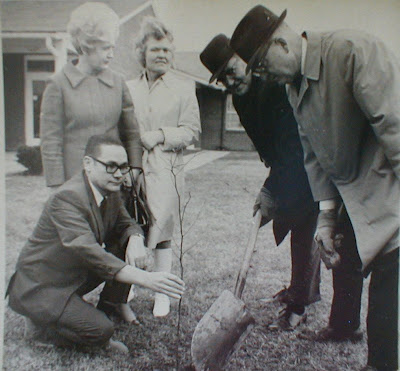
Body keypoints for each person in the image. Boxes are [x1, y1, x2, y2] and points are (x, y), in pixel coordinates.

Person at [230, 5, 399, 371]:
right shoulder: (294, 87)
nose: (262, 76)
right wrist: (326, 218)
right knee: (349, 259)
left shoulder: (352, 51)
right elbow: (313, 157)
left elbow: (394, 126)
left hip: (388, 187)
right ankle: (350, 333)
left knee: (390, 274)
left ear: (281, 44)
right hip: (350, 193)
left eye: (261, 66)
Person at [7, 134, 185, 352]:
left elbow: (126, 223)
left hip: (71, 273)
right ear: (88, 164)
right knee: (101, 331)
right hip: (42, 286)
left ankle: (104, 309)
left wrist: (136, 238)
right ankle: (40, 326)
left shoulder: (110, 191)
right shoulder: (66, 198)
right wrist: (146, 278)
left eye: (123, 166)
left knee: (124, 243)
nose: (119, 174)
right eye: (110, 166)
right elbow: (91, 253)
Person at [200, 34, 321, 330]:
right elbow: (267, 145)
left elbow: (293, 145)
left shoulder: (275, 87)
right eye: (222, 78)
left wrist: (271, 188)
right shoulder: (240, 98)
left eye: (232, 70)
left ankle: (299, 305)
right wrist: (272, 181)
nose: (230, 81)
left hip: (309, 164)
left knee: (304, 232)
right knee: (296, 229)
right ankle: (298, 290)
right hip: (285, 165)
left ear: (245, 59)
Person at [126, 17, 201, 317]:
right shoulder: (128, 87)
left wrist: (159, 136)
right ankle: (128, 283)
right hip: (131, 165)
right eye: (155, 49)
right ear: (142, 52)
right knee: (130, 223)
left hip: (166, 166)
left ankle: (163, 292)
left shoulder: (184, 88)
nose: (162, 55)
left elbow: (192, 130)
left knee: (162, 227)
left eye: (167, 50)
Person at [40, 2, 142, 189]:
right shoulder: (58, 84)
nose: (111, 55)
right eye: (105, 48)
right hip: (74, 183)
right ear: (85, 46)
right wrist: (57, 187)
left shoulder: (118, 83)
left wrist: (134, 169)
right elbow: (51, 142)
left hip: (114, 181)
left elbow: (131, 134)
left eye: (112, 48)